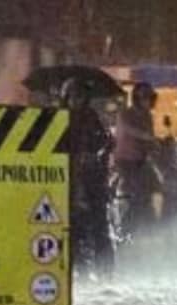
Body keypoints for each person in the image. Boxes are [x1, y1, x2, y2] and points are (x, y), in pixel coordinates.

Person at [60, 77, 114, 275]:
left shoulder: (91, 117)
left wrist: (95, 153)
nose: (77, 100)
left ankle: (105, 269)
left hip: (92, 177)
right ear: (66, 97)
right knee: (70, 223)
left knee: (99, 222)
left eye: (81, 96)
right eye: (73, 96)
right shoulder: (58, 118)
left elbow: (104, 141)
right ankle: (73, 265)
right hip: (65, 177)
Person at [112, 81, 159, 238]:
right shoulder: (125, 114)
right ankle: (126, 226)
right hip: (126, 160)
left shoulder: (147, 116)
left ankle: (151, 222)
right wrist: (146, 136)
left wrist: (158, 146)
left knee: (154, 186)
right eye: (146, 98)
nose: (149, 102)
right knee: (136, 192)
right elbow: (130, 130)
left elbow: (150, 139)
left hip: (142, 161)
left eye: (150, 98)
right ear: (138, 99)